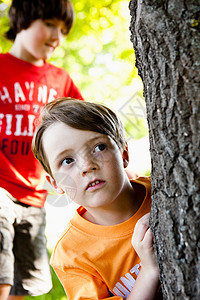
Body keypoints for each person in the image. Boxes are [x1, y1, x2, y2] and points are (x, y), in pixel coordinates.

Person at [32, 97, 162, 300]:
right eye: (67, 160)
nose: (87, 166)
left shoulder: (162, 192)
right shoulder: (72, 254)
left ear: (124, 152)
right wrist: (149, 271)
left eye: (99, 147)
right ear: (55, 183)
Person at [0, 0, 83, 299]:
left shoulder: (60, 80)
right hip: (1, 187)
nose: (57, 36)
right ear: (22, 18)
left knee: (24, 281)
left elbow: (83, 128)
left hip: (35, 195)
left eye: (62, 30)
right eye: (49, 24)